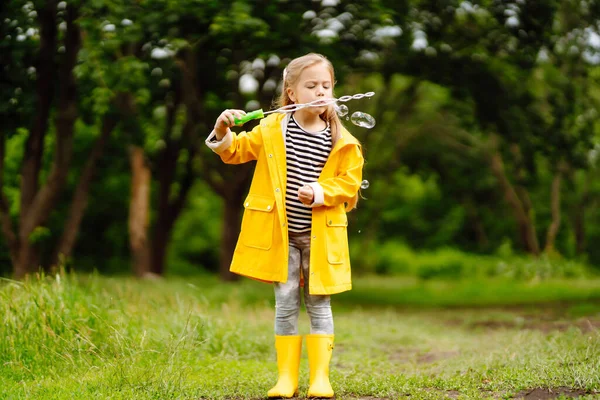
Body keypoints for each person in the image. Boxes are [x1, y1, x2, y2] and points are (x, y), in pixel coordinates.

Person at [205, 53, 364, 398]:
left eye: (326, 85)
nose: (321, 91)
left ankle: (320, 379)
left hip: (320, 237)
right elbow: (237, 151)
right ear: (292, 93)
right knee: (286, 303)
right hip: (282, 235)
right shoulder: (272, 129)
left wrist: (321, 192)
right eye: (311, 86)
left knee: (319, 303)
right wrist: (222, 132)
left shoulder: (341, 139)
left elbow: (350, 185)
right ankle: (286, 378)